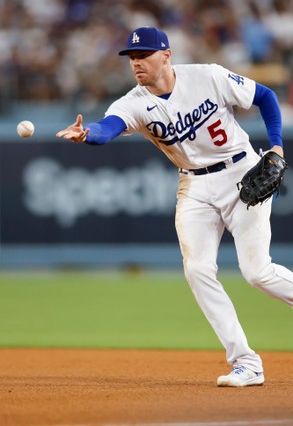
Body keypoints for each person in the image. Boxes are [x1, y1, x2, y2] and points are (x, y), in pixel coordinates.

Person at [56, 26, 293, 387]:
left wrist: (276, 145)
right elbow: (108, 128)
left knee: (256, 272)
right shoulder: (132, 103)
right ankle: (246, 363)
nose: (137, 64)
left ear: (166, 55)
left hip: (241, 173)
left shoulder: (208, 76)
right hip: (194, 186)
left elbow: (264, 96)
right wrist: (88, 134)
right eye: (132, 58)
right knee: (197, 269)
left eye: (144, 56)